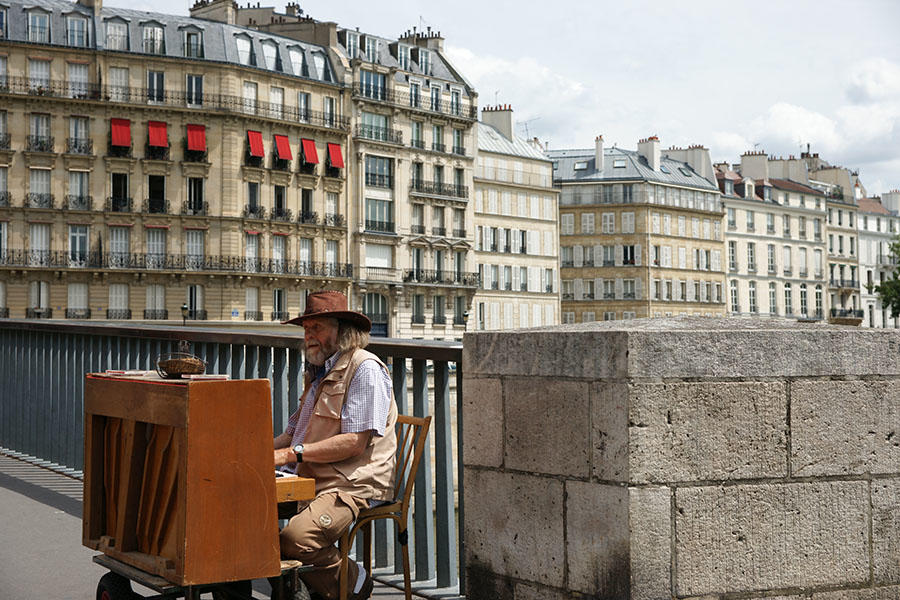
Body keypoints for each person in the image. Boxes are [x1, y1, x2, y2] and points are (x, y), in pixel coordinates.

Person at [273, 290, 397, 600]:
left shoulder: (365, 369)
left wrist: (290, 454)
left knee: (295, 539)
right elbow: (292, 434)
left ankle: (352, 583)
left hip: (351, 483)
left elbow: (354, 444)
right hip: (312, 476)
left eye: (316, 328)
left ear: (341, 330)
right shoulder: (320, 372)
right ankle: (290, 589)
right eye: (305, 329)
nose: (308, 336)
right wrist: (249, 452)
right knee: (238, 515)